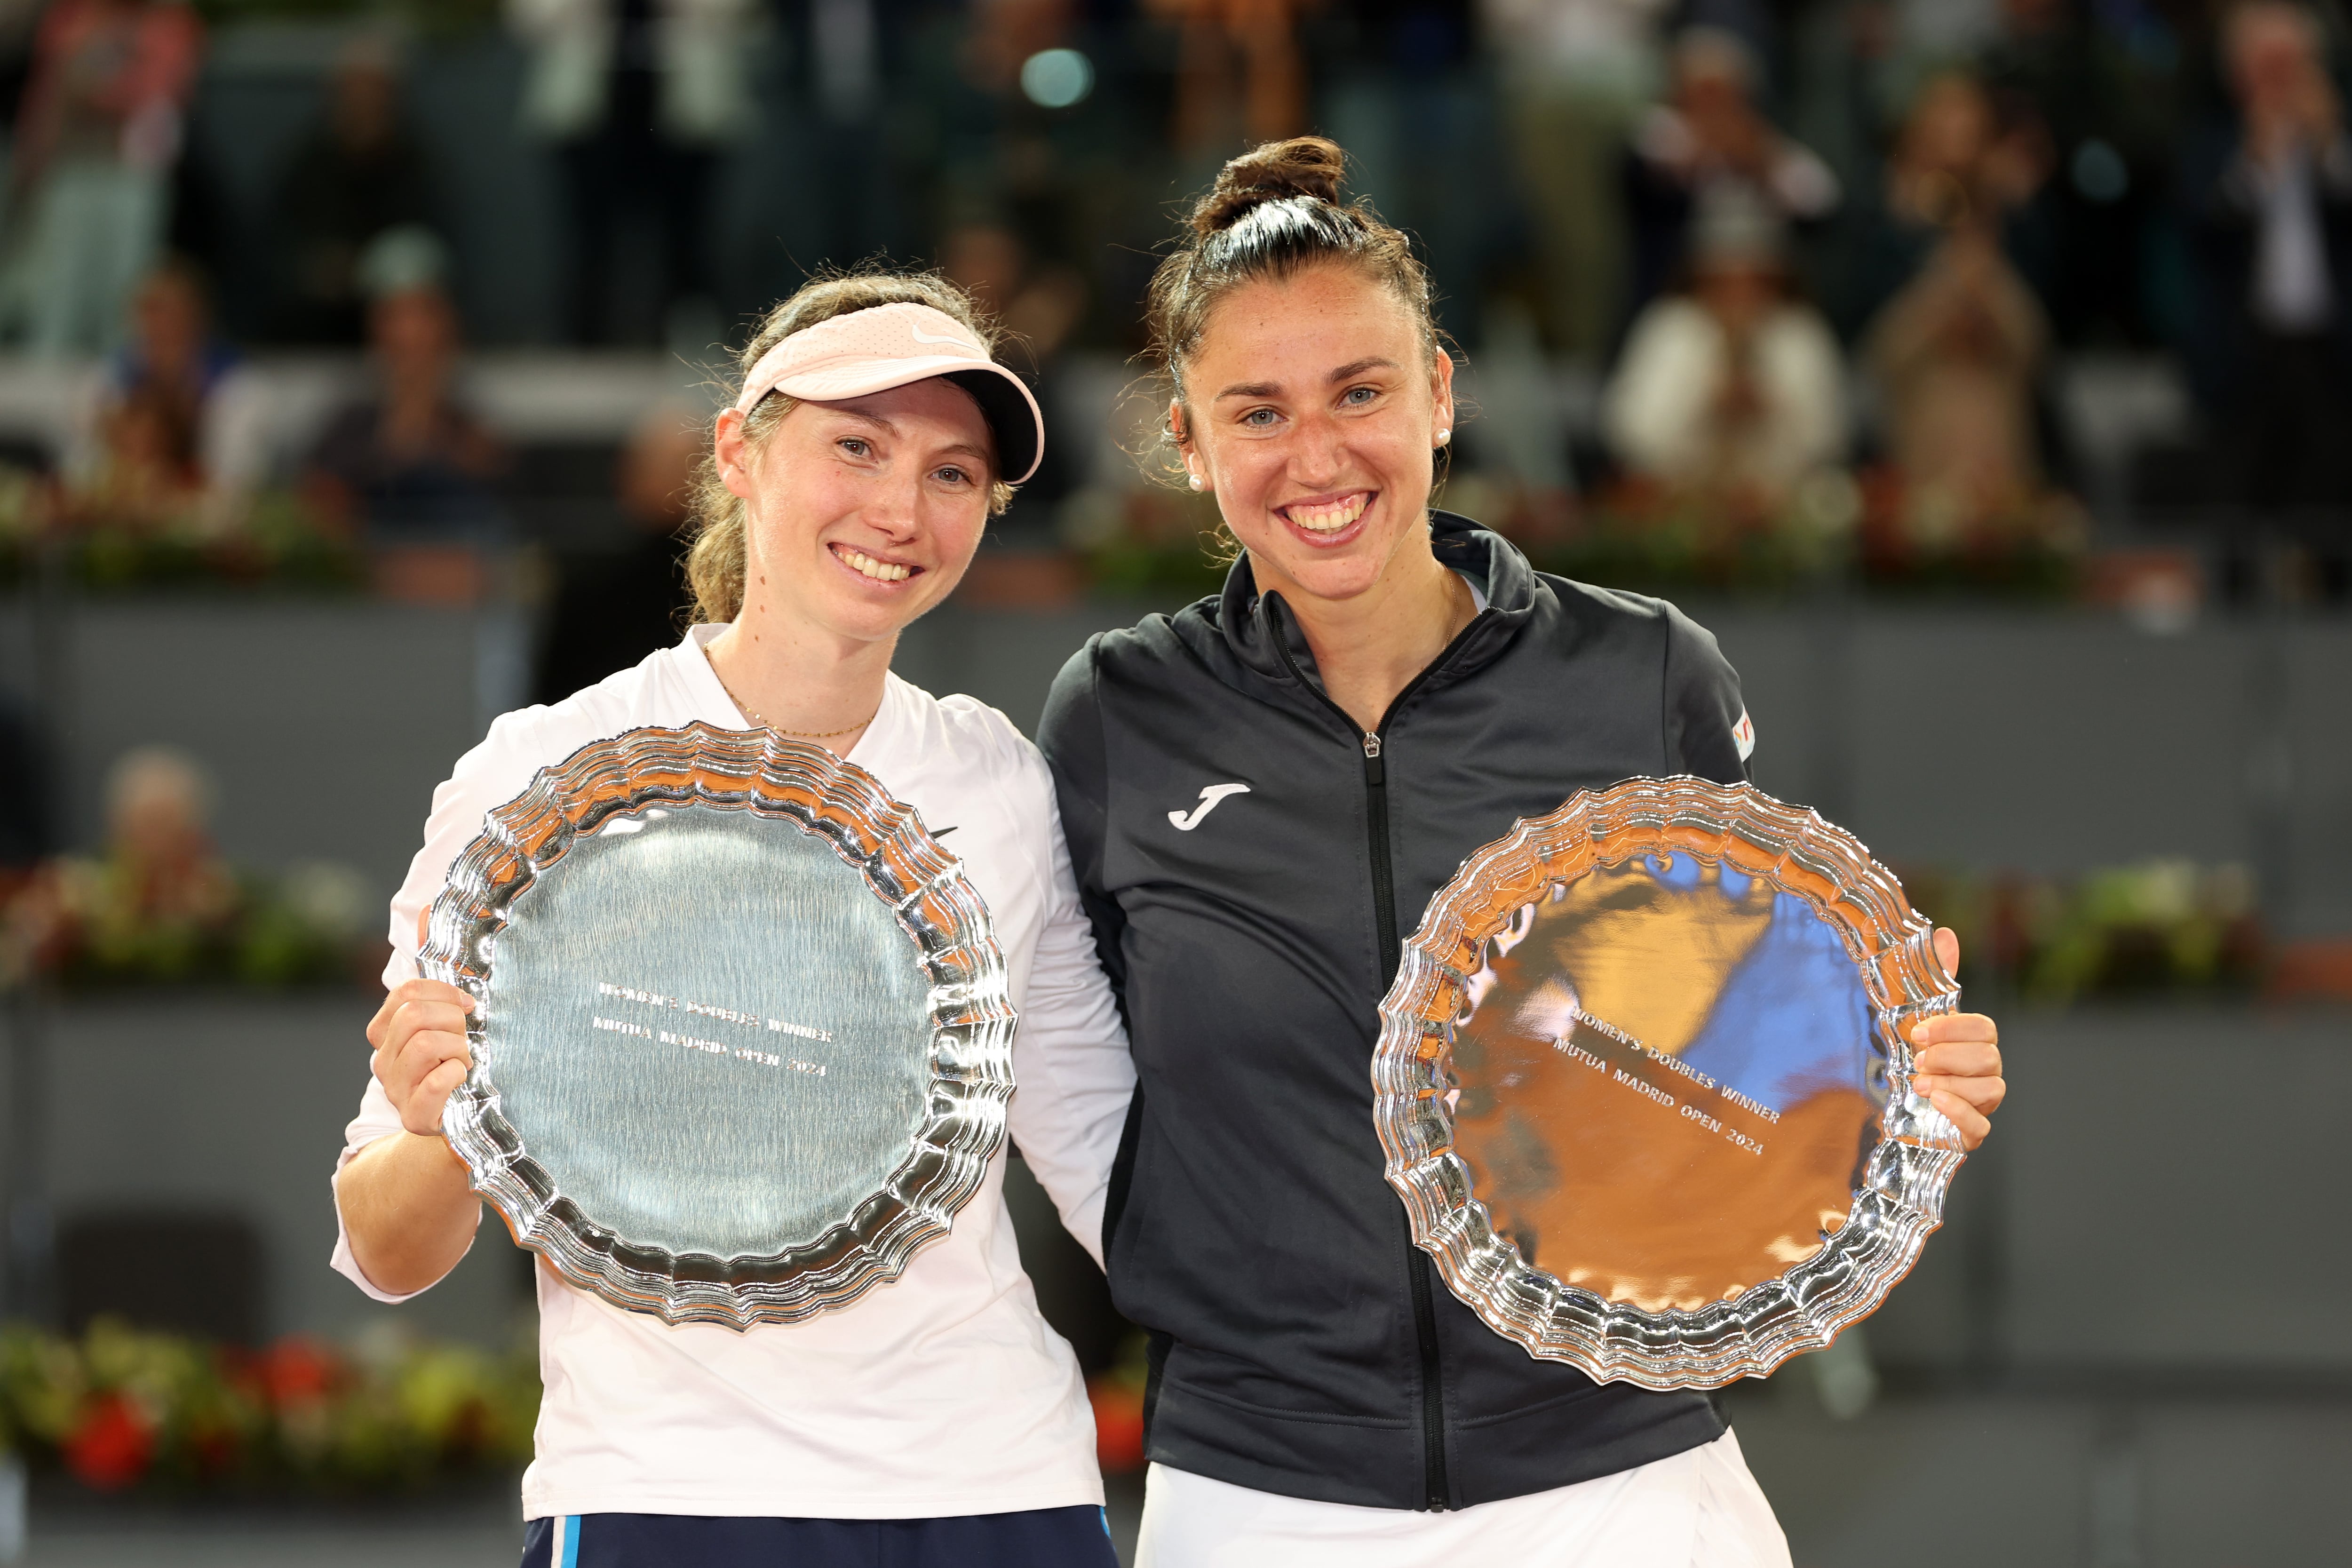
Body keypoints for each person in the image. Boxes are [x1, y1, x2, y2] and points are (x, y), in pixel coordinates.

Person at [1037, 136, 2007, 1564]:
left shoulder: (1638, 672)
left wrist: (1889, 1075)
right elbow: (1073, 1088)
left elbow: (1749, 1030)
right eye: (1256, 411)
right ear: (1184, 438)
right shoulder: (1119, 716)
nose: (1317, 457)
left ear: (1439, 394)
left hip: (1618, 1486)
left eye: (1360, 392)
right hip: (1254, 1495)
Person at [331, 271, 1133, 1566]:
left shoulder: (997, 778)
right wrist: (443, 1128)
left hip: (997, 1482)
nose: (899, 508)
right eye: (857, 446)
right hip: (668, 1492)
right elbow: (387, 1246)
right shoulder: (535, 779)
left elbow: (1103, 1156)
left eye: (953, 472)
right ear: (740, 453)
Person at [1605, 188, 1847, 504]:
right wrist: (1704, 404)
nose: (1739, 298)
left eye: (1754, 281)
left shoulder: (1798, 333)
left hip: (1781, 502)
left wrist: (1770, 406)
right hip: (1682, 498)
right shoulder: (1672, 329)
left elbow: (1831, 439)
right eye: (1724, 281)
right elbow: (1629, 434)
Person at [2, 0, 200, 355]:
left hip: (131, 176)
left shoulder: (168, 21)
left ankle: (122, 379)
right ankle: (46, 374)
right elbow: (50, 91)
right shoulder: (71, 17)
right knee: (59, 287)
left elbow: (157, 90)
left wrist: (100, 81)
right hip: (69, 171)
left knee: (126, 288)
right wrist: (31, 156)